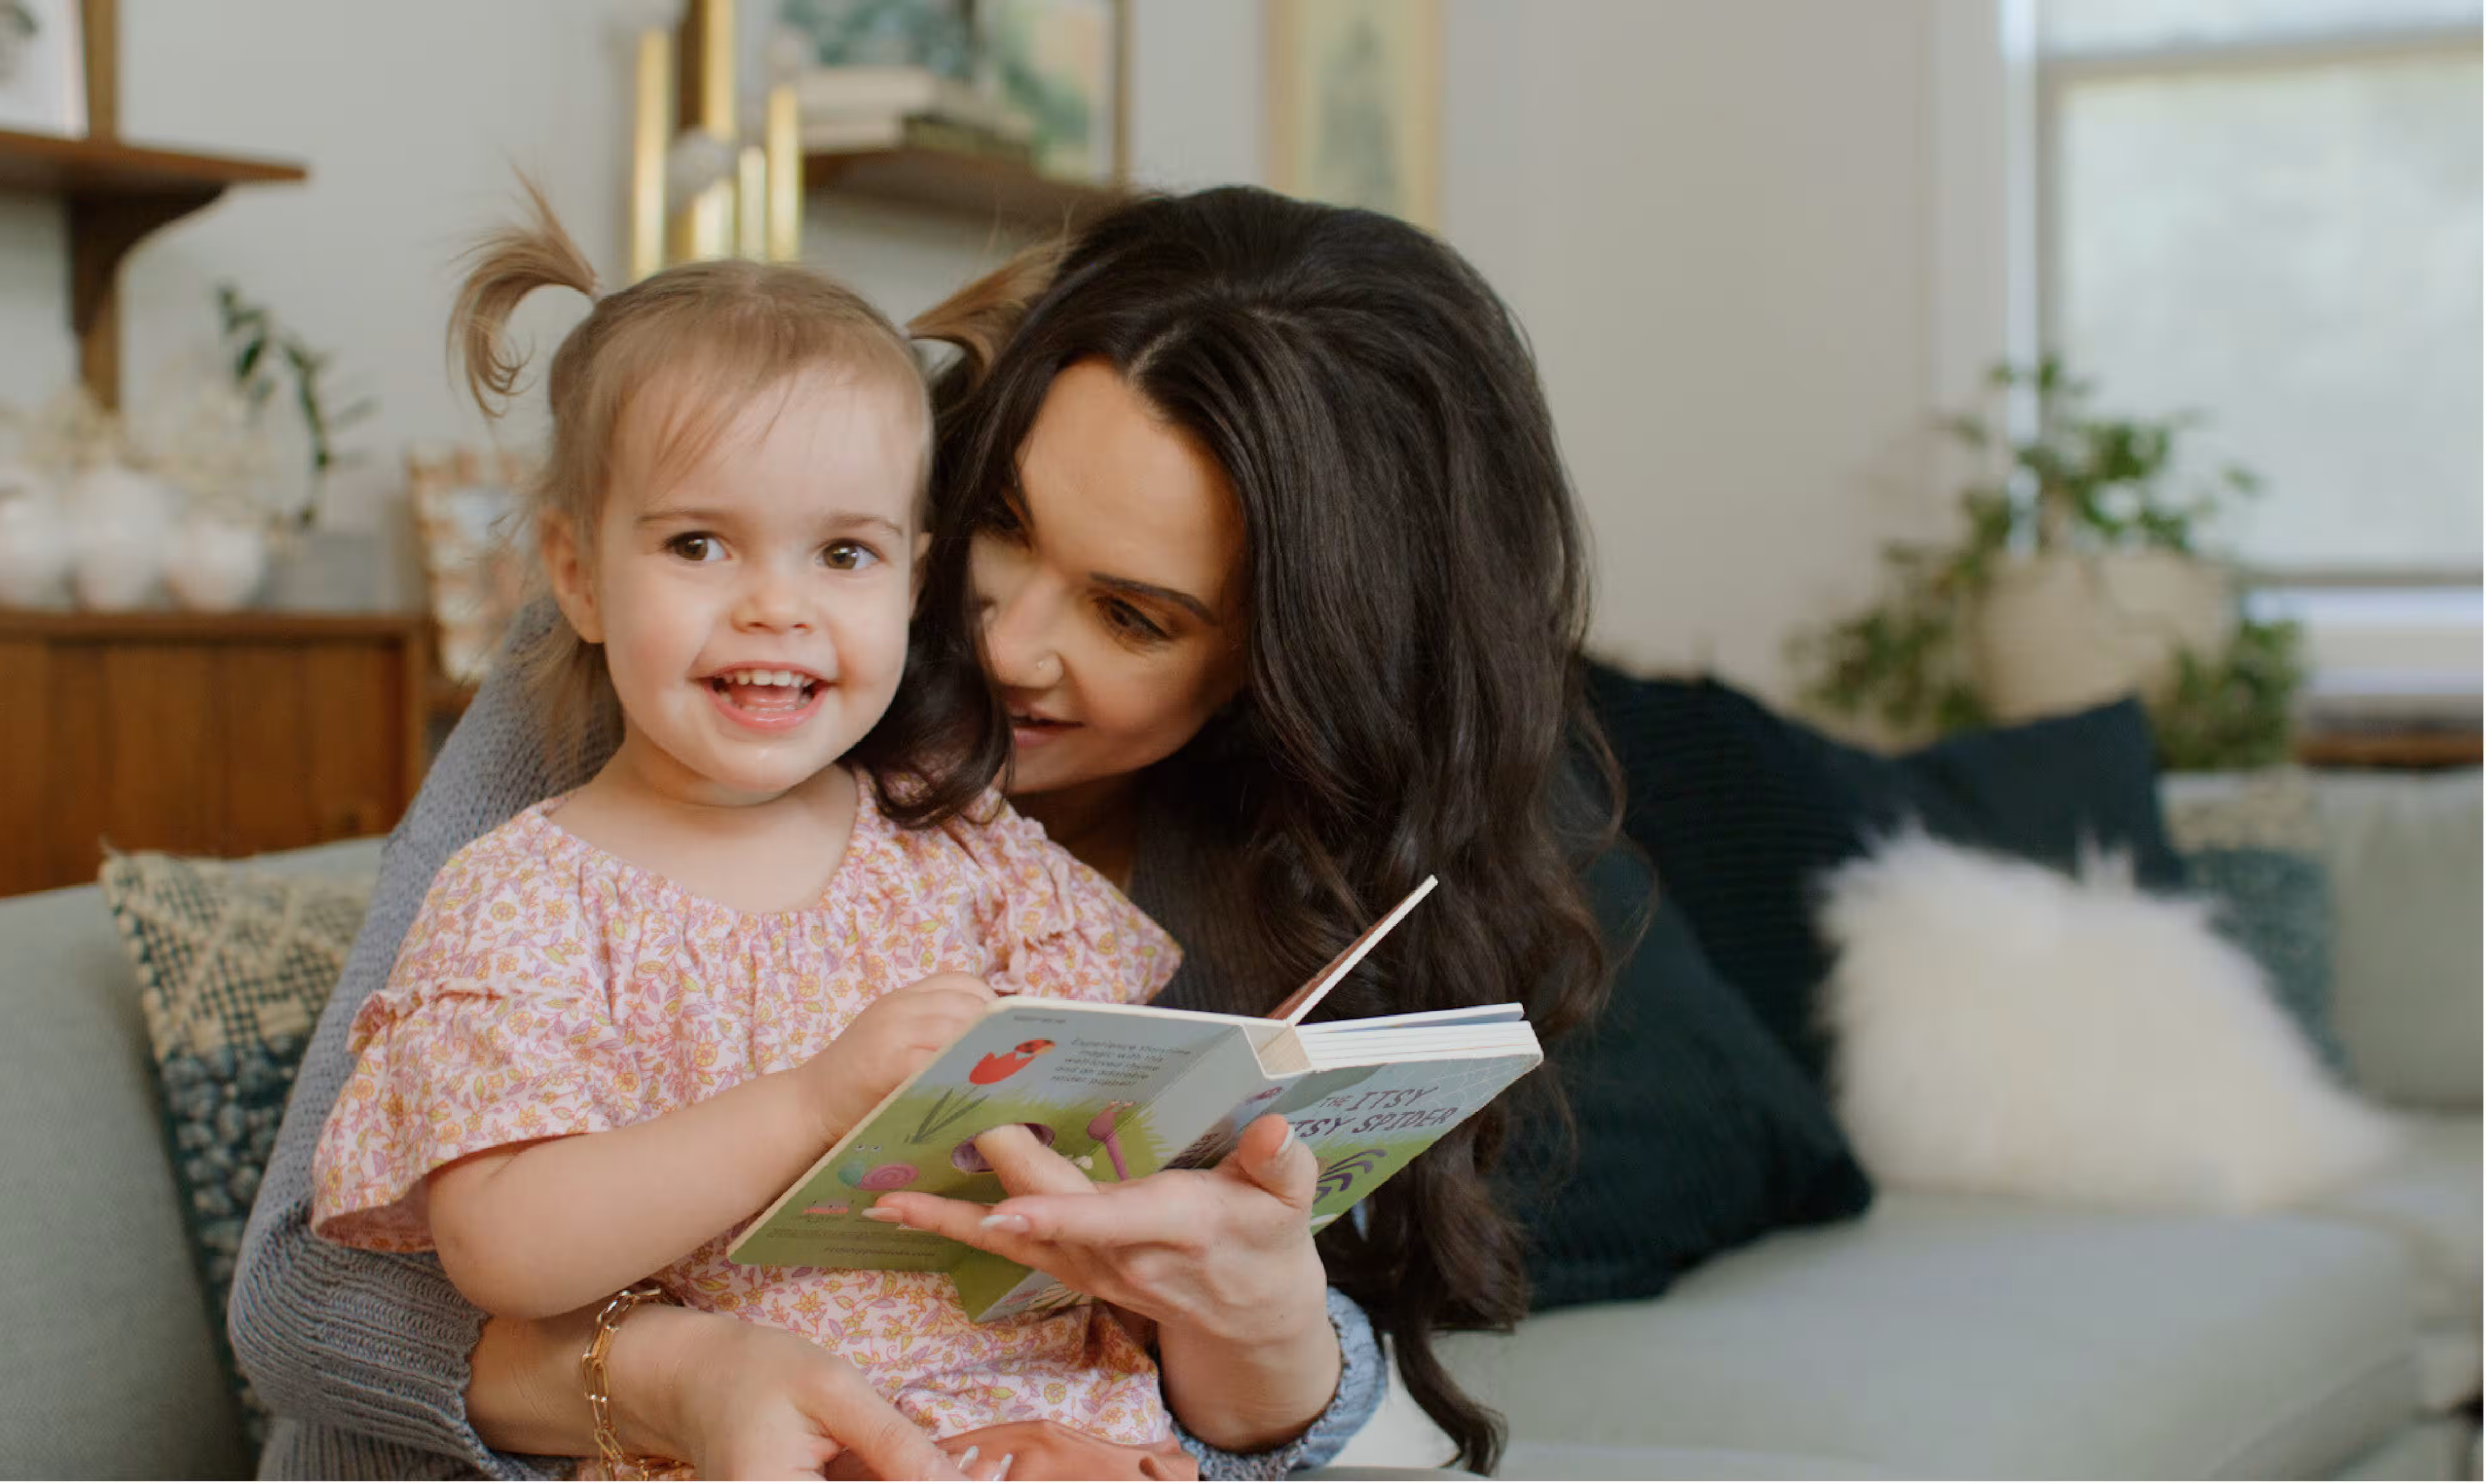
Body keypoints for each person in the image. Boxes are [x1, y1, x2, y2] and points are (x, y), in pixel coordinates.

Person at [233, 185, 1610, 1481]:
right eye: (997, 524)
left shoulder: (1210, 864)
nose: (1005, 638)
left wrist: (1244, 1351)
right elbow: (300, 1294)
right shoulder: (685, 639)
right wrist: (681, 1374)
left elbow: (1205, 1353)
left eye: (1131, 616)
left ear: (1299, 674)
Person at [302, 190, 1223, 1481]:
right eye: (698, 543)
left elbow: (1115, 1157)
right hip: (749, 1440)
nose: (776, 608)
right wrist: (811, 1100)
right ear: (574, 573)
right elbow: (503, 1251)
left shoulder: (975, 858)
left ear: (911, 578)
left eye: (841, 555)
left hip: (1038, 1421)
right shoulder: (527, 895)